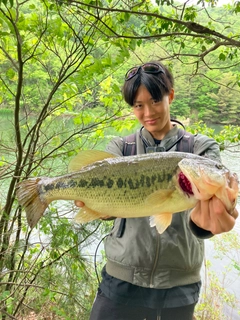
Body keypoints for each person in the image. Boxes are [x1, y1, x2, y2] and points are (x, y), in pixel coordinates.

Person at [75, 61, 238, 320]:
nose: (148, 112)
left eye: (155, 101)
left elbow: (200, 221)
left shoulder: (201, 149)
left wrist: (210, 221)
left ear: (170, 95)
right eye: (138, 105)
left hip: (179, 287)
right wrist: (96, 207)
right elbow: (109, 207)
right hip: (121, 280)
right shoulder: (120, 148)